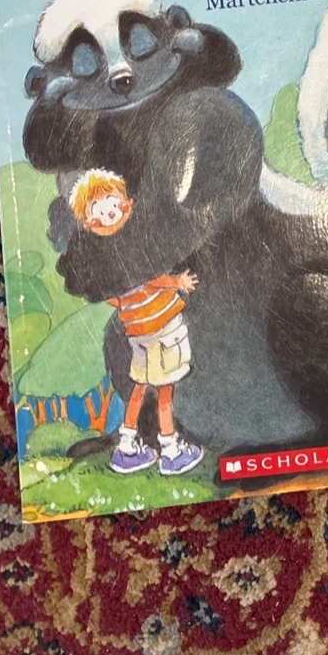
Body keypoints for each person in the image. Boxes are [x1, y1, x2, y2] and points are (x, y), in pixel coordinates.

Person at [68, 169, 204, 476]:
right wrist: (177, 282)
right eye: (99, 208)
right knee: (165, 390)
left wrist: (129, 307)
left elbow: (111, 296)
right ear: (92, 222)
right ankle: (171, 450)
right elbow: (149, 278)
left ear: (125, 202)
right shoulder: (131, 248)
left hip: (137, 334)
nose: (108, 210)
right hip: (162, 330)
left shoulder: (107, 258)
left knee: (140, 388)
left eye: (111, 201)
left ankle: (127, 447)